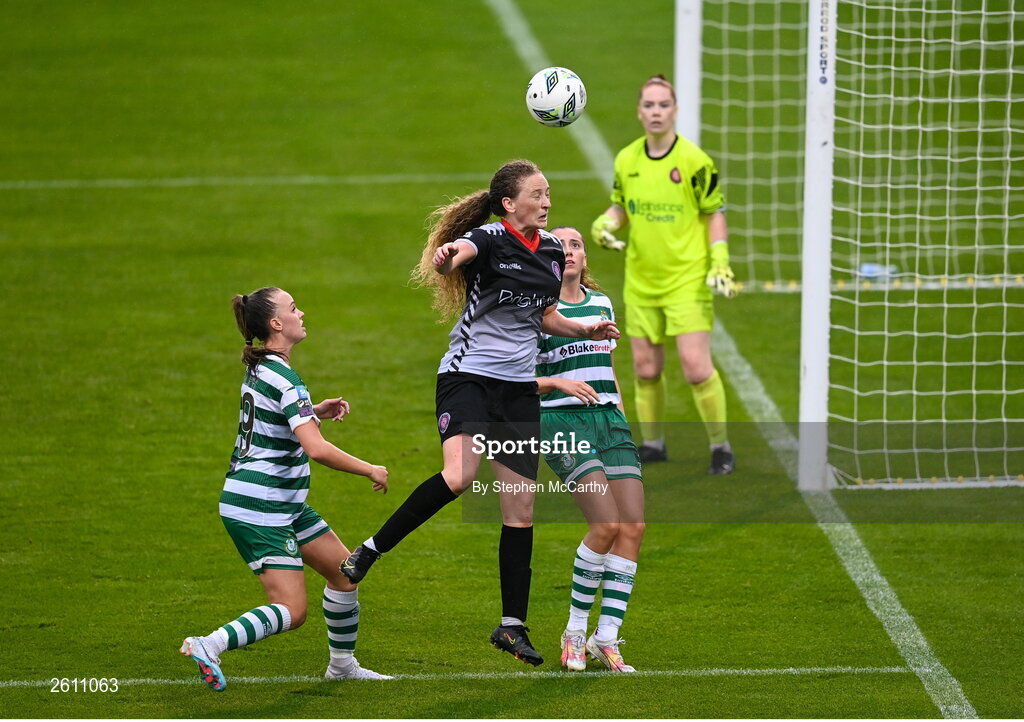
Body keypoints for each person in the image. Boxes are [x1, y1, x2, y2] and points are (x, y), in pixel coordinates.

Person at [339, 159, 620, 666]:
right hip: (468, 379)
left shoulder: (553, 250)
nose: (547, 202)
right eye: (537, 194)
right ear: (510, 203)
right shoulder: (488, 238)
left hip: (515, 391)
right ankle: (370, 550)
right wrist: (448, 256)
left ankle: (512, 626)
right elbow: (457, 256)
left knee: (520, 508)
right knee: (460, 475)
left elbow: (544, 314)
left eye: (549, 192)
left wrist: (585, 330)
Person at [180, 286, 392, 691]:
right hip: (261, 507)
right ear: (277, 324)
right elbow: (316, 449)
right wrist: (370, 469)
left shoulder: (262, 368)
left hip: (282, 503)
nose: (302, 312)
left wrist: (313, 411)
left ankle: (342, 666)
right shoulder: (285, 376)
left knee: (346, 573)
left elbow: (278, 420)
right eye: (294, 308)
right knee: (292, 610)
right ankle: (209, 644)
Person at [591, 74, 737, 474]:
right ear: (639, 112)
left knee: (694, 366)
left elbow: (714, 213)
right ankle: (653, 443)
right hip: (642, 279)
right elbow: (622, 207)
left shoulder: (694, 161)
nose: (656, 112)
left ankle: (720, 447)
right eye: (649, 105)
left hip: (687, 279)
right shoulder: (626, 160)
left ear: (674, 110)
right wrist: (605, 224)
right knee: (645, 368)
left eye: (663, 105)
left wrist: (720, 259)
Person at [536, 226, 645, 673]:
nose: (571, 251)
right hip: (561, 420)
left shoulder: (602, 304)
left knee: (633, 527)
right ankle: (575, 631)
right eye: (560, 246)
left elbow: (609, 366)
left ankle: (607, 637)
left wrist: (619, 413)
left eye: (577, 244)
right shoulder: (535, 311)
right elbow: (515, 380)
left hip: (609, 421)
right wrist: (558, 382)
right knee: (605, 525)